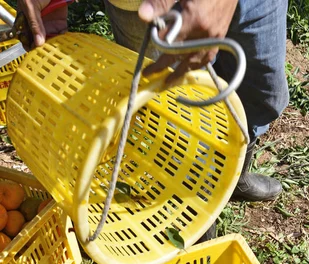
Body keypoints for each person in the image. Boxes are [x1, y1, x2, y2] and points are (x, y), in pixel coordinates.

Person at [18, 0, 289, 237]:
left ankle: (235, 175)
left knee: (264, 93)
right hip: (147, 7)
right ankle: (197, 206)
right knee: (177, 114)